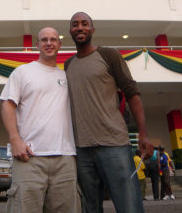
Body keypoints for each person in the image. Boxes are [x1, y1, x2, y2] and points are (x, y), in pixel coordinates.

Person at [64, 11, 154, 213]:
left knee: (129, 206)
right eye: (75, 24)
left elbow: (132, 94)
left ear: (92, 29)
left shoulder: (109, 55)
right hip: (82, 150)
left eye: (85, 24)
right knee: (90, 208)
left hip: (114, 145)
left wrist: (143, 135)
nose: (80, 27)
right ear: (70, 31)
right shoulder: (68, 65)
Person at [0, 27, 81, 213]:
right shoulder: (22, 72)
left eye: (53, 39)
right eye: (44, 40)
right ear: (37, 45)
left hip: (66, 159)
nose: (49, 43)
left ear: (59, 44)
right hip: (29, 157)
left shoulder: (67, 76)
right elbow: (7, 106)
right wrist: (15, 140)